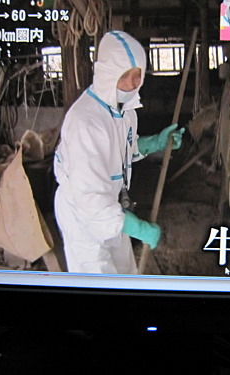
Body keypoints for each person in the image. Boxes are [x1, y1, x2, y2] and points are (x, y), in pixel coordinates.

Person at [53, 30, 184, 274]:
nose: (134, 83)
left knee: (125, 271)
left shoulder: (125, 111)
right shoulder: (86, 122)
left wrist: (155, 143)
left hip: (111, 206)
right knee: (97, 279)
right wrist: (137, 228)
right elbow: (90, 197)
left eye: (138, 75)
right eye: (126, 76)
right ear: (107, 74)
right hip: (83, 214)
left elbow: (122, 155)